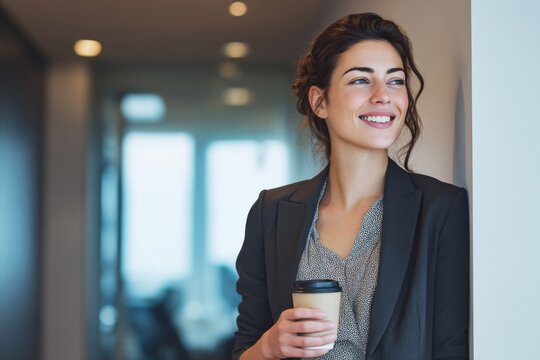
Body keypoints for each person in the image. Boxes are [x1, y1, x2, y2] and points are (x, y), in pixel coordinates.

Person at [233, 13, 469, 360]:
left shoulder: (440, 209)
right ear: (319, 101)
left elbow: (452, 350)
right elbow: (244, 350)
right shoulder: (271, 213)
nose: (383, 96)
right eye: (360, 80)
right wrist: (268, 347)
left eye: (395, 80)